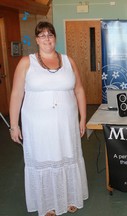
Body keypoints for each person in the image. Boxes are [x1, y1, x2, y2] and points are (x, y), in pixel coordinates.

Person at [9, 21, 88, 216]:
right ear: (36, 39)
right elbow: (17, 94)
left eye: (50, 35)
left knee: (67, 156)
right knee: (46, 158)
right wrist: (13, 126)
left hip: (66, 122)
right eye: (42, 35)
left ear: (55, 38)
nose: (47, 39)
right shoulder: (26, 62)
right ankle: (48, 203)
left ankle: (70, 196)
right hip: (38, 126)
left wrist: (82, 119)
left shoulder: (68, 61)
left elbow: (79, 90)